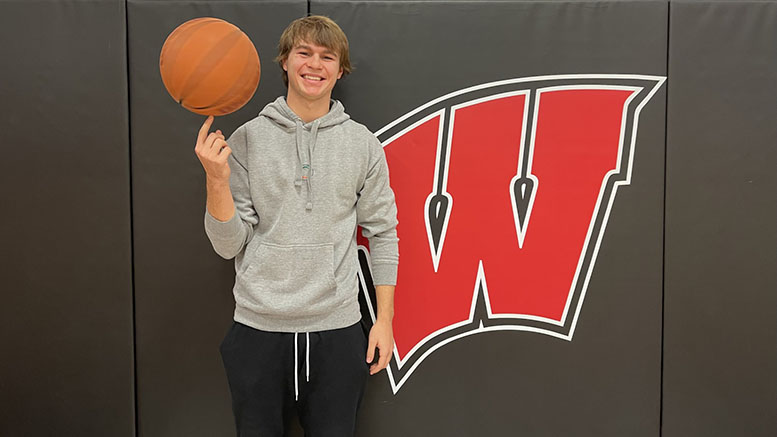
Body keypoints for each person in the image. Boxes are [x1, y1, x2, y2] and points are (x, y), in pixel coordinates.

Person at [194, 15, 399, 437]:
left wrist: (384, 320)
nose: (315, 64)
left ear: (340, 70)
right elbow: (228, 245)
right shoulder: (247, 139)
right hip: (257, 331)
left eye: (327, 57)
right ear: (285, 61)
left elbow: (383, 234)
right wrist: (217, 179)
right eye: (304, 52)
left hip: (338, 333)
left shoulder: (362, 144)